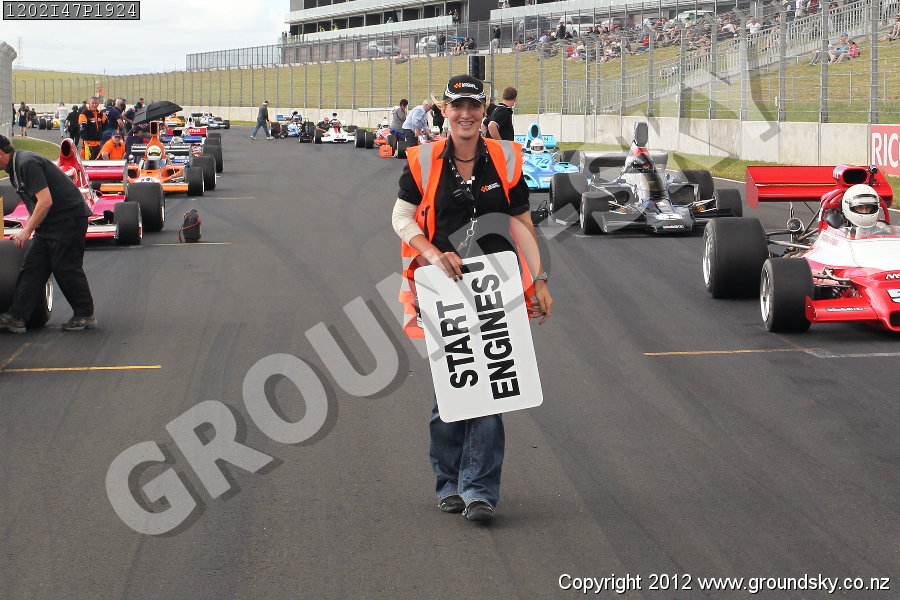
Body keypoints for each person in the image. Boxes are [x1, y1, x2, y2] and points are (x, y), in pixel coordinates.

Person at [391, 74, 552, 523]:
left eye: (473, 106)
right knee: (453, 388)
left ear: (484, 111)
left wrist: (539, 278)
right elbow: (402, 218)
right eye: (457, 106)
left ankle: (479, 489)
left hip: (497, 286)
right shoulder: (423, 160)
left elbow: (522, 222)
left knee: (493, 387)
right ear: (444, 111)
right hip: (442, 287)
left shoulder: (505, 157)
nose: (465, 114)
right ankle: (449, 482)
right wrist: (432, 252)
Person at [0, 135, 96, 333]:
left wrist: (27, 230)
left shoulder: (27, 163)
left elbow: (45, 201)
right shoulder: (15, 168)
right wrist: (29, 227)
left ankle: (85, 314)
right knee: (32, 266)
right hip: (50, 222)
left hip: (68, 219)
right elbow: (35, 203)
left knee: (65, 267)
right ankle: (16, 316)